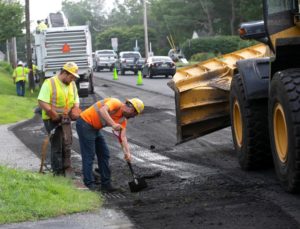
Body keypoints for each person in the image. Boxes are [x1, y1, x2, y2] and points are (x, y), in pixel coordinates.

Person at [76, 97, 144, 192]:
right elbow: (102, 110)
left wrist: (127, 153)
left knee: (104, 154)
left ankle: (106, 185)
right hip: (85, 123)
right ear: (132, 110)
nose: (133, 117)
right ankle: (89, 184)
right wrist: (113, 124)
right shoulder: (115, 103)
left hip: (95, 128)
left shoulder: (122, 120)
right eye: (134, 114)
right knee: (89, 155)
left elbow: (122, 137)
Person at [38, 62, 82, 177]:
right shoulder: (50, 83)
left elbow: (76, 97)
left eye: (74, 77)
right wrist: (52, 113)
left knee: (66, 143)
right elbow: (42, 101)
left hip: (65, 119)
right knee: (57, 145)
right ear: (64, 73)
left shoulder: (71, 84)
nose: (73, 79)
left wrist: (76, 108)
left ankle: (65, 168)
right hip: (52, 119)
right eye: (71, 76)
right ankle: (57, 173)